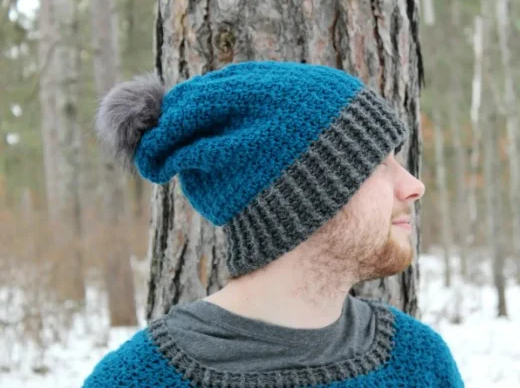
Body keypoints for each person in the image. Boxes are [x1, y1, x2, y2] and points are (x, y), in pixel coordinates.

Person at [83, 61, 463, 387]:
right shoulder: (136, 380)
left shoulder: (418, 362)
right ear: (303, 199)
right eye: (379, 164)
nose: (414, 186)